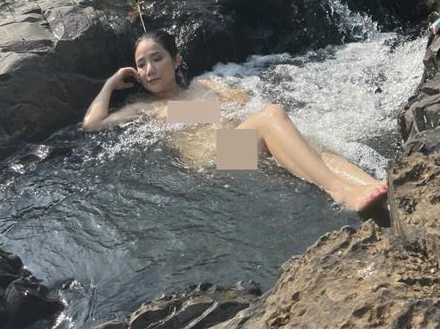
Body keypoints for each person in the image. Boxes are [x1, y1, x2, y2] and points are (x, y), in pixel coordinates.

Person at [83, 29, 389, 222]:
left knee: (316, 151)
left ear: (176, 61)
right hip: (213, 159)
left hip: (242, 146)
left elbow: (244, 102)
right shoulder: (147, 108)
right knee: (271, 116)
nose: (149, 70)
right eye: (141, 64)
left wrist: (219, 101)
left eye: (156, 59)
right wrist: (110, 83)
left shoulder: (205, 85)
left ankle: (371, 189)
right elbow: (93, 124)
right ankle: (341, 193)